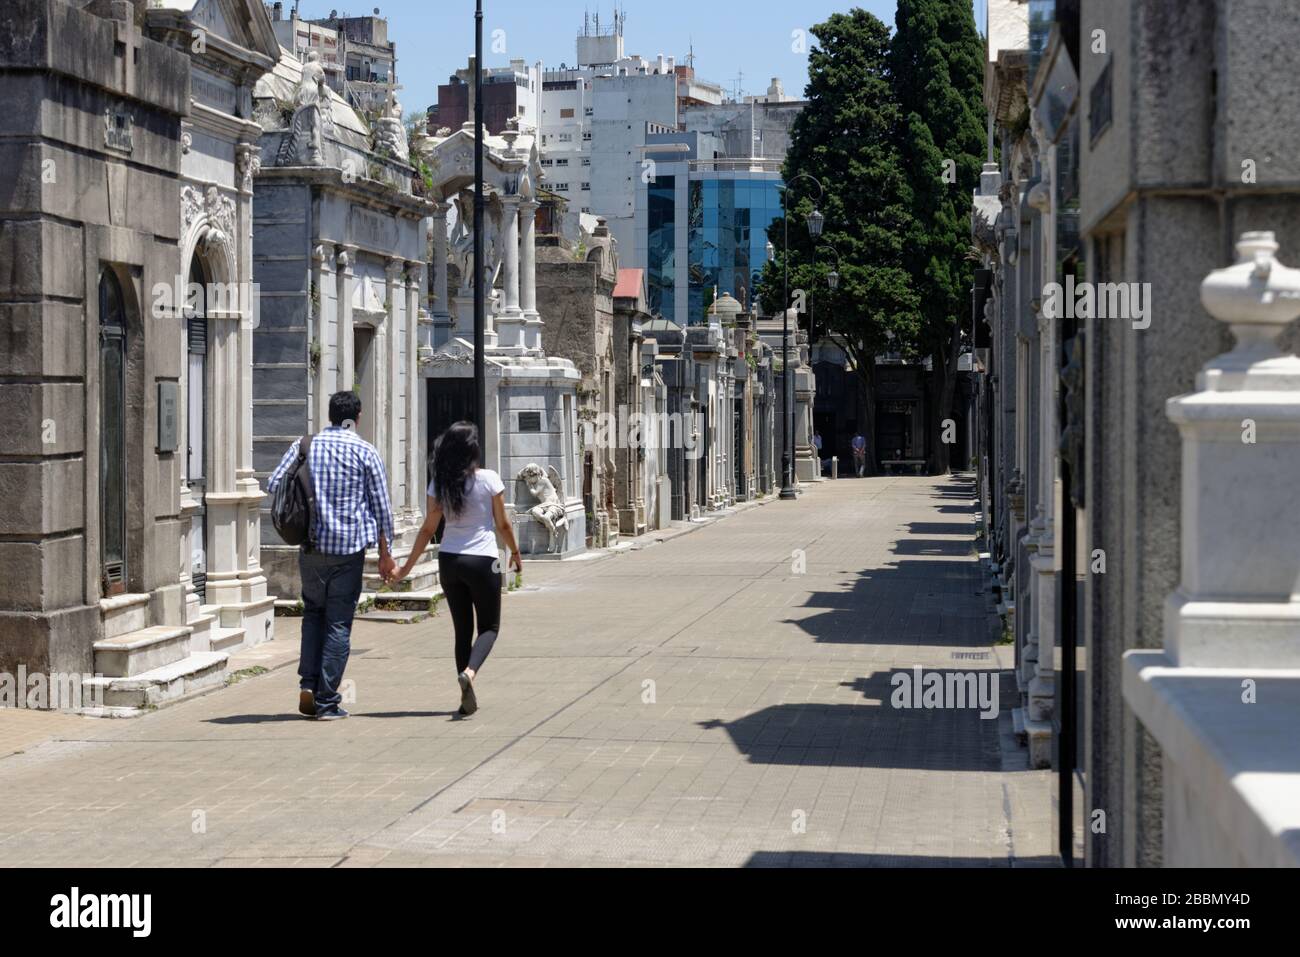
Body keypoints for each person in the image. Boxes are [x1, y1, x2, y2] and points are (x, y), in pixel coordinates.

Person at [267, 391, 395, 721]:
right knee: (338, 623)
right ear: (358, 416)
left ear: (329, 415)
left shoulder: (305, 446)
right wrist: (386, 554)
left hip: (311, 547)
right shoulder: (366, 452)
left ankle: (307, 684)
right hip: (349, 551)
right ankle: (326, 701)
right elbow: (382, 508)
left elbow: (273, 483)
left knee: (313, 615)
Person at [393, 421, 522, 717]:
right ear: (473, 449)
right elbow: (502, 524)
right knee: (489, 627)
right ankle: (471, 673)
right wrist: (515, 552)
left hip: (449, 560)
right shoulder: (488, 479)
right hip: (483, 560)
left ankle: (465, 694)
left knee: (462, 631)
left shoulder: (439, 483)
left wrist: (405, 569)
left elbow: (427, 530)